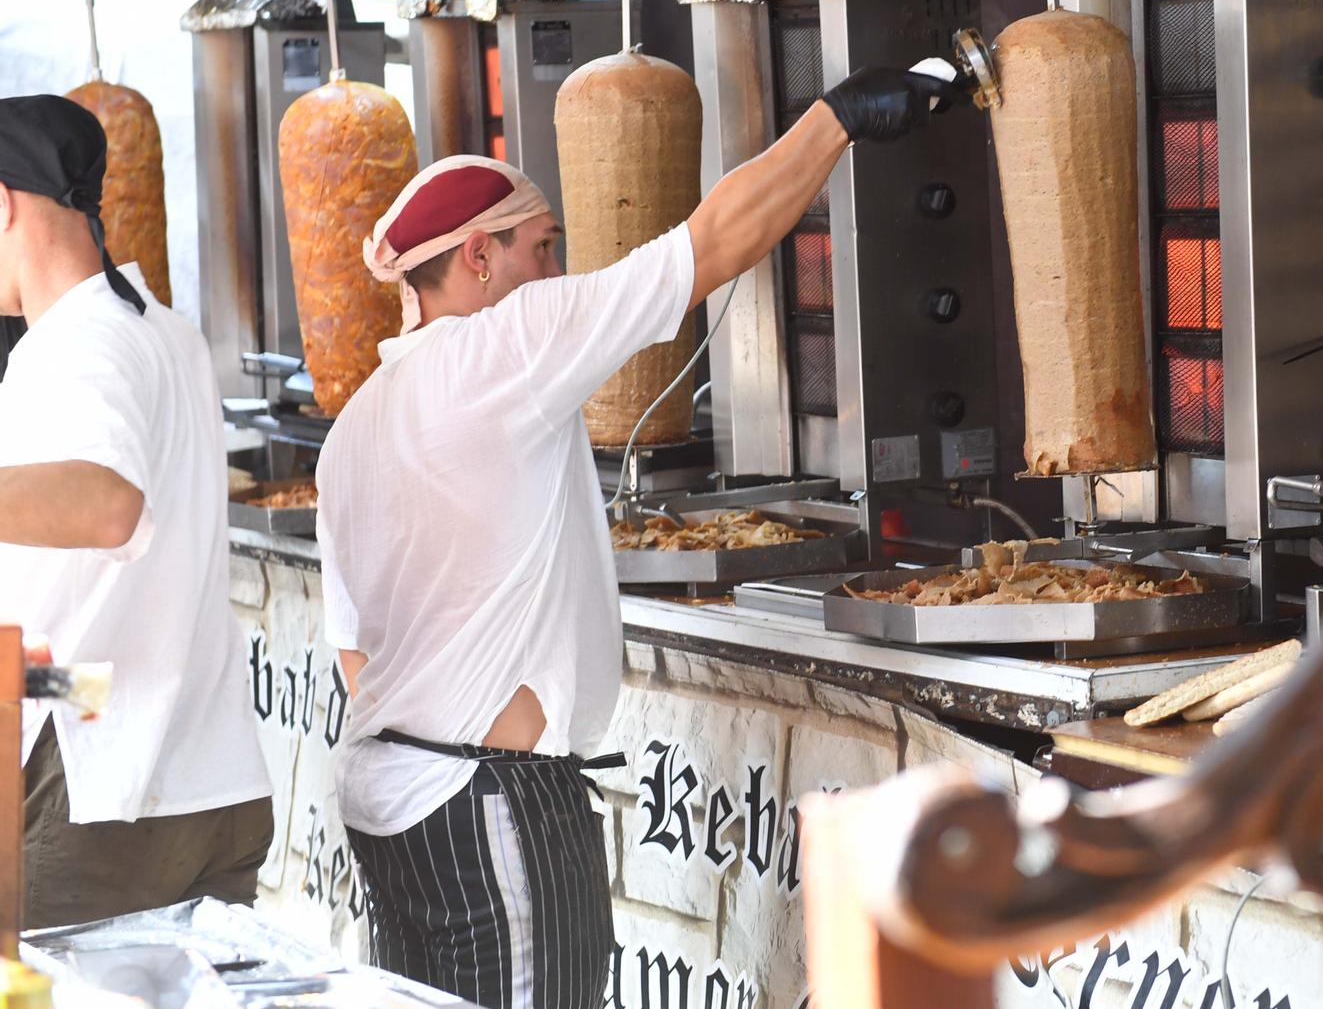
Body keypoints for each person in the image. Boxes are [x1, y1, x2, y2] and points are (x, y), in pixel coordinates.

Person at [316, 65, 954, 1009]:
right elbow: (711, 243)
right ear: (479, 259)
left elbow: (352, 650)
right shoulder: (508, 343)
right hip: (486, 802)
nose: (555, 271)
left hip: (392, 806)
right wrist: (837, 120)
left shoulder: (353, 427)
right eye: (542, 246)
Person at [0, 94, 272, 926]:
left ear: (3, 201)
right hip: (204, 775)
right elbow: (110, 637)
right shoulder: (164, 331)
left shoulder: (80, 339)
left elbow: (108, 505)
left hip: (102, 801)